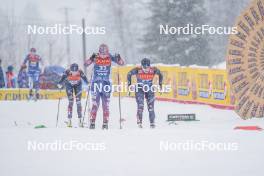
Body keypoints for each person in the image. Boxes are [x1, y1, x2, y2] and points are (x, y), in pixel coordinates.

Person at [84, 44, 124, 129]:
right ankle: (92, 122)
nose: (103, 55)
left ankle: (105, 123)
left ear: (107, 51)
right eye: (101, 53)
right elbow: (86, 64)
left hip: (106, 84)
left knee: (105, 105)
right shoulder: (96, 56)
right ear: (99, 51)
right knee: (95, 104)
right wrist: (91, 58)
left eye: (104, 53)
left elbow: (121, 63)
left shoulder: (110, 56)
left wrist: (119, 58)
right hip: (96, 83)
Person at [127, 58, 163, 128]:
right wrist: (129, 85)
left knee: (151, 107)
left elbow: (161, 75)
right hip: (140, 88)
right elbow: (129, 74)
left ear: (150, 66)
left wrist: (160, 84)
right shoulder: (137, 70)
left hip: (150, 88)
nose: (146, 70)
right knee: (140, 106)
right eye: (144, 68)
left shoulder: (154, 69)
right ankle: (139, 122)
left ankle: (152, 123)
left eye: (147, 68)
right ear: (142, 66)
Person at [57, 63, 88, 127]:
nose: (74, 73)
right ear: (70, 70)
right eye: (72, 72)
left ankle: (80, 120)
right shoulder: (67, 72)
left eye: (75, 72)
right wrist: (59, 84)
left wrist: (88, 83)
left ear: (78, 70)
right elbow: (62, 79)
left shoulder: (80, 71)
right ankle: (69, 120)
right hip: (69, 85)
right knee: (71, 102)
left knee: (78, 102)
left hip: (78, 85)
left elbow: (85, 78)